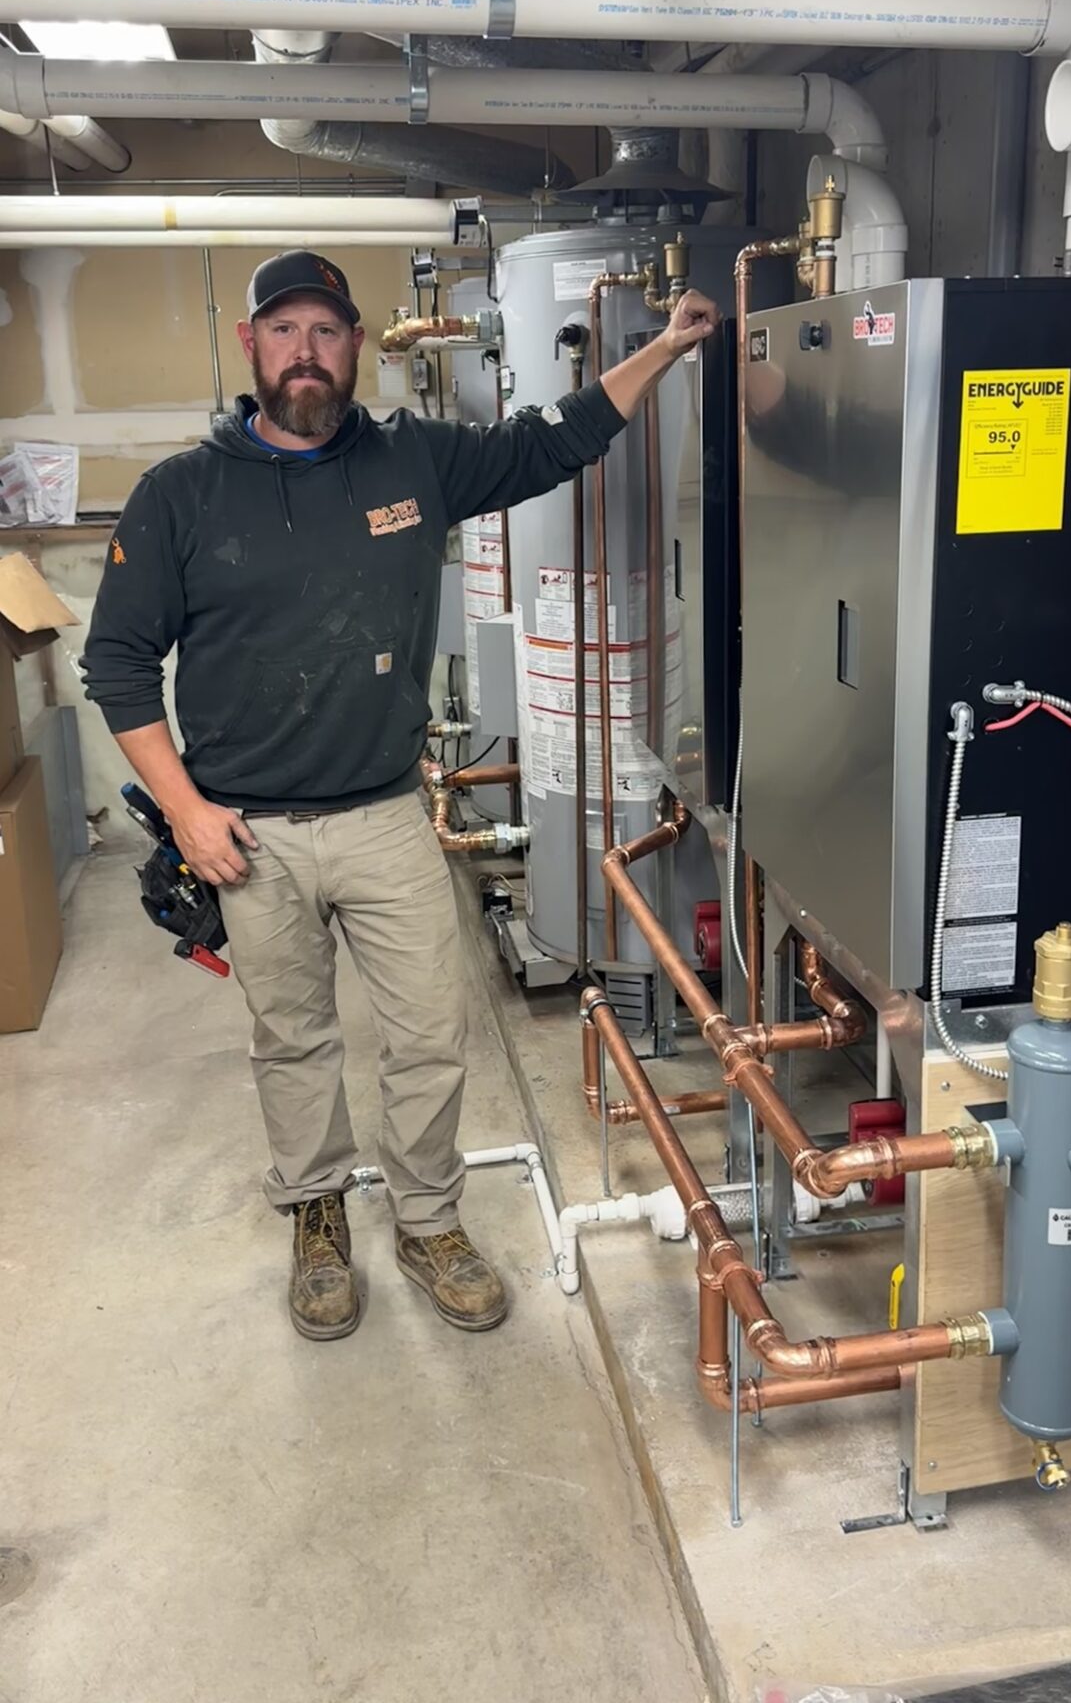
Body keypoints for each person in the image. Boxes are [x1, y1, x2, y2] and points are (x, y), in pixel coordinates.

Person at [83, 248, 719, 1342]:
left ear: (357, 345)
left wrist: (660, 350)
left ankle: (426, 1221)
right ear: (250, 348)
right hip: (246, 832)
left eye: (324, 332)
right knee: (294, 1039)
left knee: (429, 1033)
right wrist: (186, 812)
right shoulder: (181, 494)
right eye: (282, 332)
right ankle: (318, 1215)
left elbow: (546, 445)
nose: (304, 353)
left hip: (383, 814)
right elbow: (117, 667)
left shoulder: (409, 460)